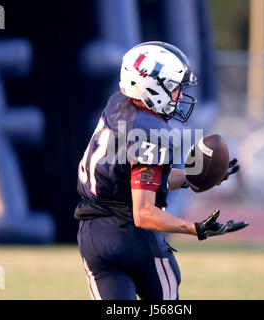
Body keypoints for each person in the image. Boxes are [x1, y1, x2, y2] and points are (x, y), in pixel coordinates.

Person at [74, 41, 248, 300]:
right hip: (134, 239)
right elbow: (143, 213)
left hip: (94, 237)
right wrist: (195, 228)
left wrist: (191, 177)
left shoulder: (119, 103)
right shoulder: (151, 132)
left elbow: (136, 180)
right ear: (153, 87)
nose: (179, 96)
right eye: (175, 88)